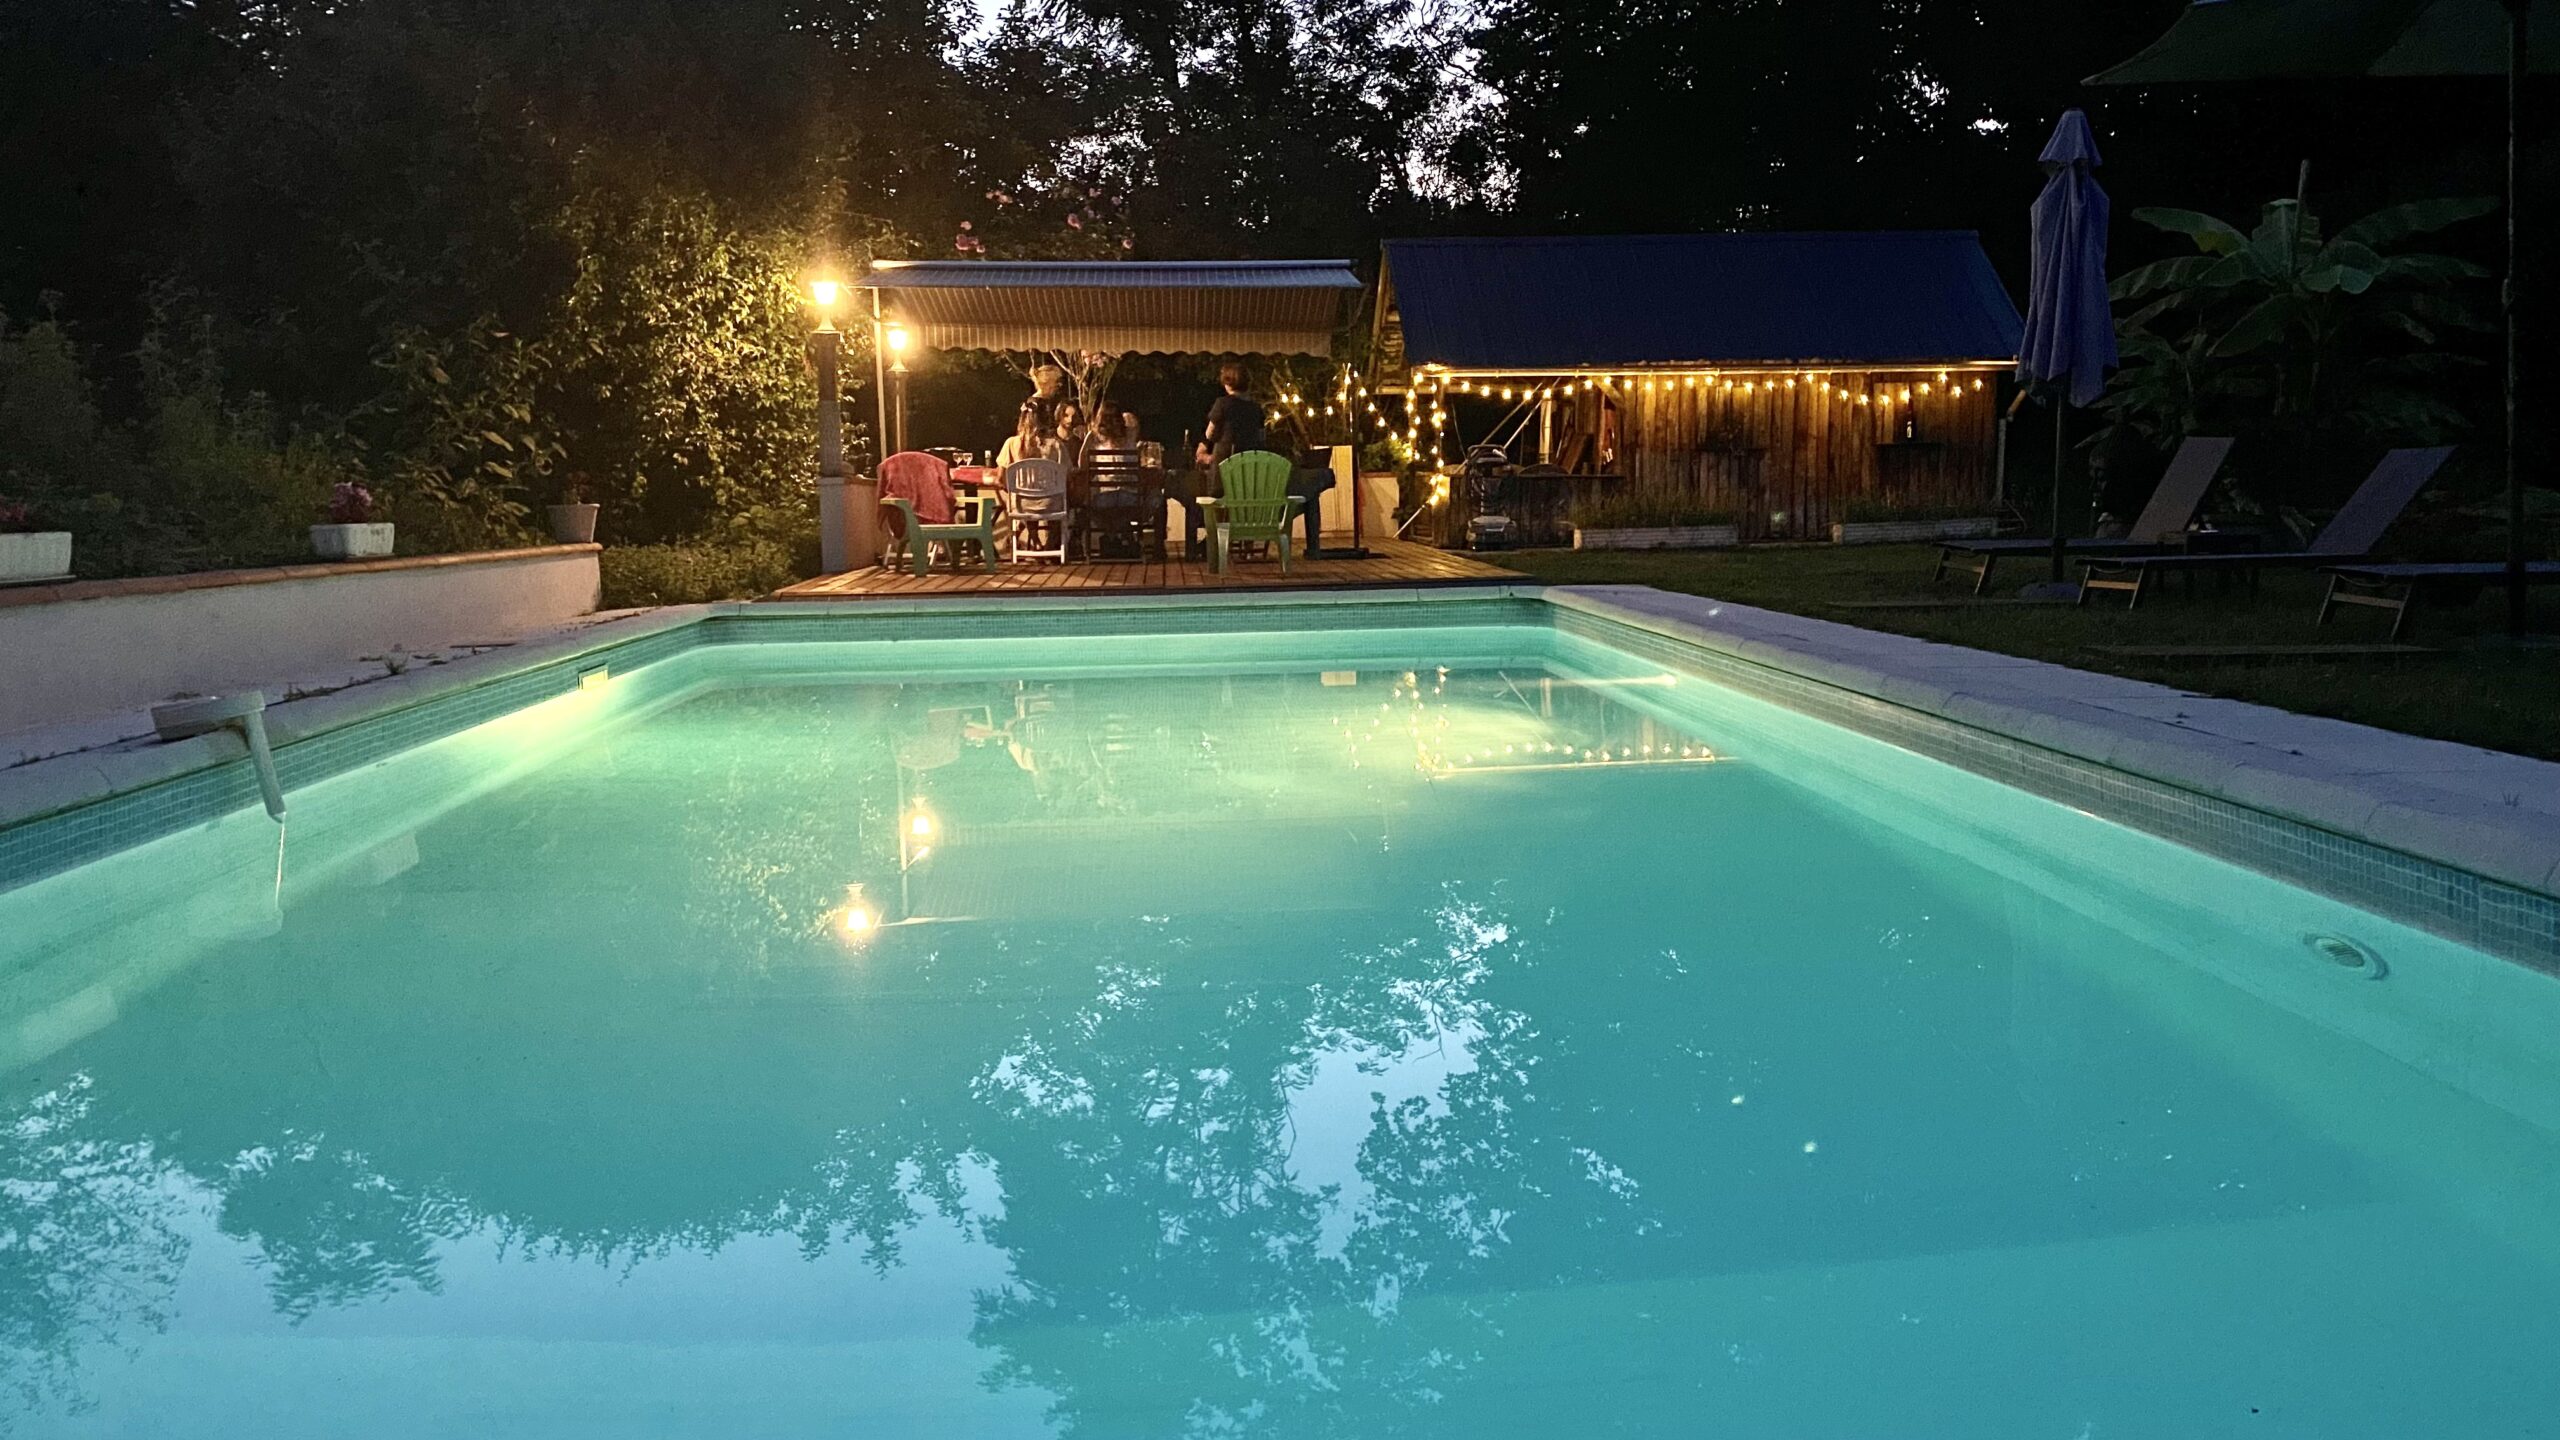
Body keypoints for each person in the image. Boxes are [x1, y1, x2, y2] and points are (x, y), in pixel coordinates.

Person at [1196, 363, 1265, 465]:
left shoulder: (1223, 403)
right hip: (1249, 461)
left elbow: (1209, 433)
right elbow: (1261, 437)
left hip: (1225, 459)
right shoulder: (1256, 407)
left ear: (1228, 383)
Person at [1019, 364, 1068, 437]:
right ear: (1047, 383)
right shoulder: (1034, 403)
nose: (1058, 385)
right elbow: (1036, 428)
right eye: (1056, 382)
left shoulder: (1049, 401)